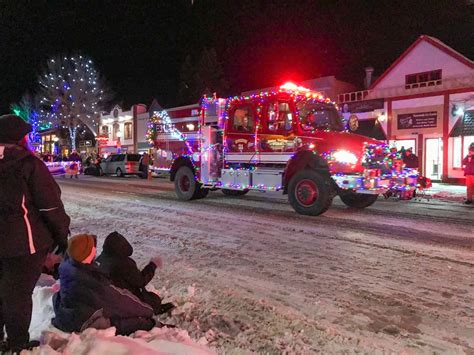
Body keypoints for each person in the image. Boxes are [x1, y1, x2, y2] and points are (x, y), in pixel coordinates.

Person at [0, 114, 70, 353]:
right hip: (23, 244)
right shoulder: (27, 163)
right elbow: (50, 206)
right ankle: (17, 344)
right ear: (19, 138)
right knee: (17, 294)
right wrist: (61, 236)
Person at [53, 234, 156, 335]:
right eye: (92, 248)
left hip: (65, 316)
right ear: (87, 254)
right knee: (139, 322)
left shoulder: (68, 266)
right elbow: (120, 301)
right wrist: (148, 311)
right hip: (83, 323)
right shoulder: (92, 280)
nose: (95, 249)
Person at [96, 231, 175, 315]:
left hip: (109, 296)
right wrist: (152, 265)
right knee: (155, 300)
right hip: (125, 297)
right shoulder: (124, 263)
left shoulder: (100, 259)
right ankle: (154, 310)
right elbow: (141, 281)